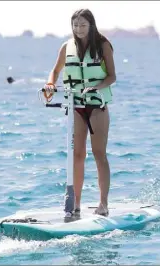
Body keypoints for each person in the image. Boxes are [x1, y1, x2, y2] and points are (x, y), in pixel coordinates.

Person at [44, 8, 116, 216]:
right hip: (76, 105)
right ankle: (76, 203)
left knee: (99, 153)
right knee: (77, 154)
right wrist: (50, 83)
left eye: (83, 25)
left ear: (91, 25)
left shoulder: (103, 45)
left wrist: (96, 87)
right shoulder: (67, 47)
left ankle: (103, 203)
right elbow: (55, 71)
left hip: (97, 105)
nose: (79, 29)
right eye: (75, 25)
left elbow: (112, 76)